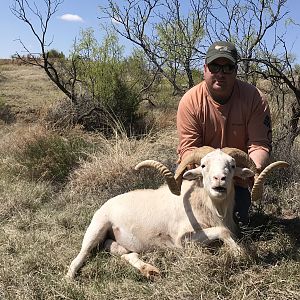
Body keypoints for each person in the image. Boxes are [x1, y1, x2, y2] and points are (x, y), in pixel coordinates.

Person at [176, 41, 272, 226]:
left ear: (236, 70)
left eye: (228, 67)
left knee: (238, 221)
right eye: (214, 66)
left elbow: (259, 144)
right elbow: (188, 149)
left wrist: (252, 170)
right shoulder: (190, 101)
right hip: (204, 176)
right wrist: (206, 169)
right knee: (189, 221)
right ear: (205, 69)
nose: (220, 73)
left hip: (234, 177)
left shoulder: (254, 99)